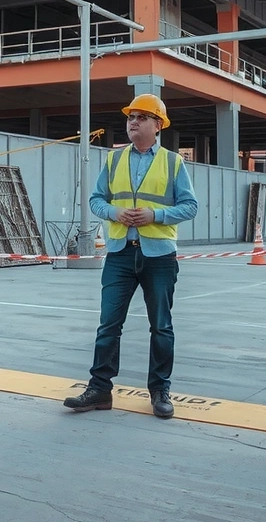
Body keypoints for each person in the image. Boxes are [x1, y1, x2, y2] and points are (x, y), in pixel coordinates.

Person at [64, 94, 199, 419]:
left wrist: (155, 215)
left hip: (159, 257)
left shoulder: (173, 162)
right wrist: (114, 211)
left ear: (157, 125)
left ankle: (160, 391)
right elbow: (96, 199)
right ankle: (100, 389)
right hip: (120, 255)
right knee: (108, 324)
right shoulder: (113, 161)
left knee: (161, 326)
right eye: (130, 117)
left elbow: (190, 206)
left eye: (141, 117)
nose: (133, 122)